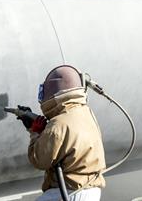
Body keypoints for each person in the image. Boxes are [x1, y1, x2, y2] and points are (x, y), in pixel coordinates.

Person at [16, 65, 106, 201]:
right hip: (91, 190)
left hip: (69, 192)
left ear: (53, 93)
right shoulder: (86, 112)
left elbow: (40, 160)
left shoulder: (58, 123)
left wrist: (35, 134)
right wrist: (42, 131)